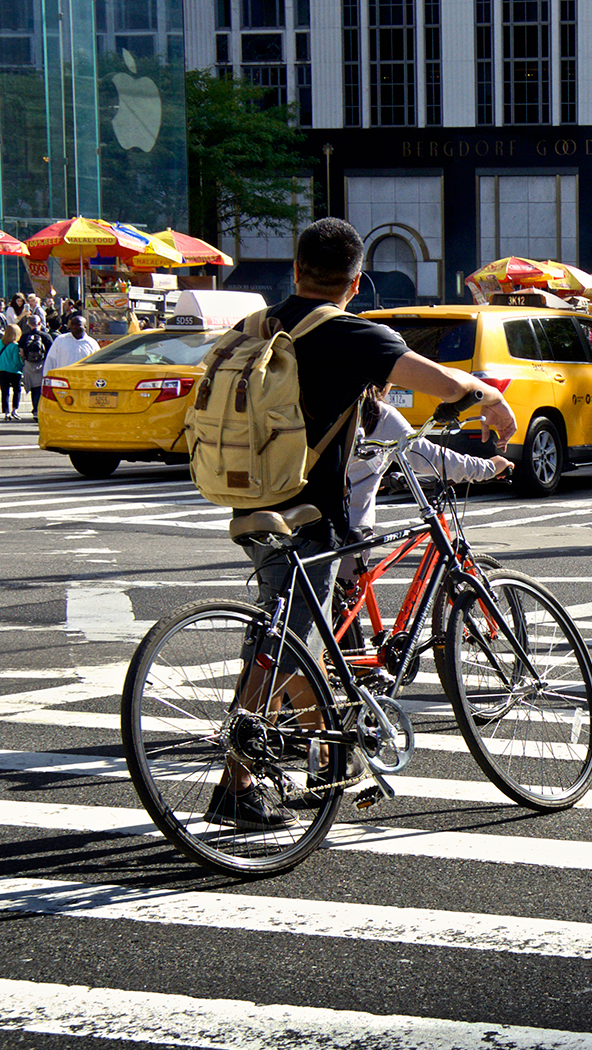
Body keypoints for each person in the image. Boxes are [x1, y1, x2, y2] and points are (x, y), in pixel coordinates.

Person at [212, 217, 517, 832]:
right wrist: (490, 397)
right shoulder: (349, 333)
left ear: (295, 272)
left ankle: (295, 766)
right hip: (309, 517)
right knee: (292, 651)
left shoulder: (260, 326)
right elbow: (440, 381)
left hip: (248, 500)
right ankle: (268, 773)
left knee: (279, 644)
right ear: (355, 284)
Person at [345, 391, 512, 534]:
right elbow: (430, 457)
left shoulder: (327, 406)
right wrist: (489, 468)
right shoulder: (376, 415)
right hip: (348, 531)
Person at [17, 313, 51, 419]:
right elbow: (51, 353)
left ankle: (35, 409)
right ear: (39, 323)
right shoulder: (45, 336)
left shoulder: (24, 337)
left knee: (34, 389)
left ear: (28, 324)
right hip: (42, 365)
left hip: (29, 365)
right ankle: (40, 409)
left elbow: (21, 353)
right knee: (41, 388)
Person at [0, 325, 21, 420]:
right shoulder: (15, 346)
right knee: (16, 390)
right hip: (14, 371)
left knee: (5, 391)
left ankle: (6, 412)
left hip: (2, 370)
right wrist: (21, 367)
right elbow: (16, 360)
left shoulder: (0, 343)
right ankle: (14, 410)